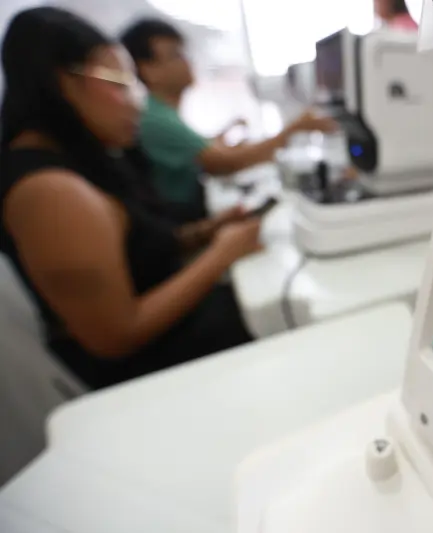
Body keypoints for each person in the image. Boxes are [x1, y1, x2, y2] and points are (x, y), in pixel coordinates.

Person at [0, 7, 261, 389]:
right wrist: (222, 253)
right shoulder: (51, 192)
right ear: (65, 82)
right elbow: (117, 336)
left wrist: (209, 230)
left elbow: (138, 249)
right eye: (120, 83)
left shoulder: (85, 160)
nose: (136, 102)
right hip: (156, 375)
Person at [119, 19, 336, 216]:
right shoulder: (157, 119)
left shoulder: (160, 114)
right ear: (148, 70)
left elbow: (204, 151)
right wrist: (295, 128)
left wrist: (224, 137)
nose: (187, 62)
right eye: (176, 55)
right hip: (181, 221)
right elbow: (224, 163)